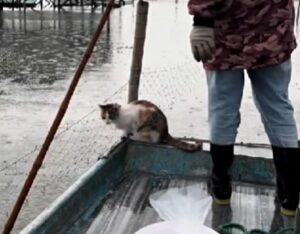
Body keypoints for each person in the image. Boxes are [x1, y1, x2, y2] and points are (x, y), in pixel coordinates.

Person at [188, 0, 300, 217]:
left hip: (226, 34)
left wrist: (200, 18)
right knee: (278, 110)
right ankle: (290, 197)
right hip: (273, 29)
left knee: (222, 111)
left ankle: (221, 190)